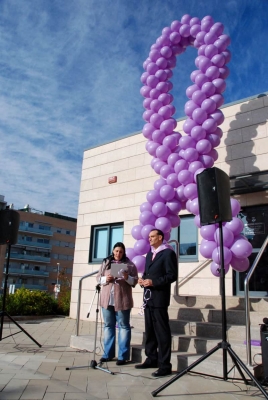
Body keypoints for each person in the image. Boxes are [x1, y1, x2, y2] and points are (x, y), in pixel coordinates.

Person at [135, 229, 177, 377]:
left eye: (152, 236)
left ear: (160, 237)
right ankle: (151, 358)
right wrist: (142, 280)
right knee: (150, 330)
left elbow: (172, 276)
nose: (150, 239)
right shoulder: (148, 254)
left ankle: (165, 365)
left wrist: (154, 282)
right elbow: (147, 273)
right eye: (149, 237)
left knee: (162, 331)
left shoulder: (168, 253)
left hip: (159, 298)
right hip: (148, 298)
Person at [96, 242, 138, 365]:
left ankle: (122, 356)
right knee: (108, 326)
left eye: (120, 251)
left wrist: (127, 277)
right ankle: (107, 354)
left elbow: (134, 281)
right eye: (116, 251)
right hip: (107, 300)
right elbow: (98, 278)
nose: (118, 253)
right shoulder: (106, 263)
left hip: (123, 300)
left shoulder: (130, 265)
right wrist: (105, 279)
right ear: (112, 251)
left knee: (124, 326)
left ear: (124, 252)